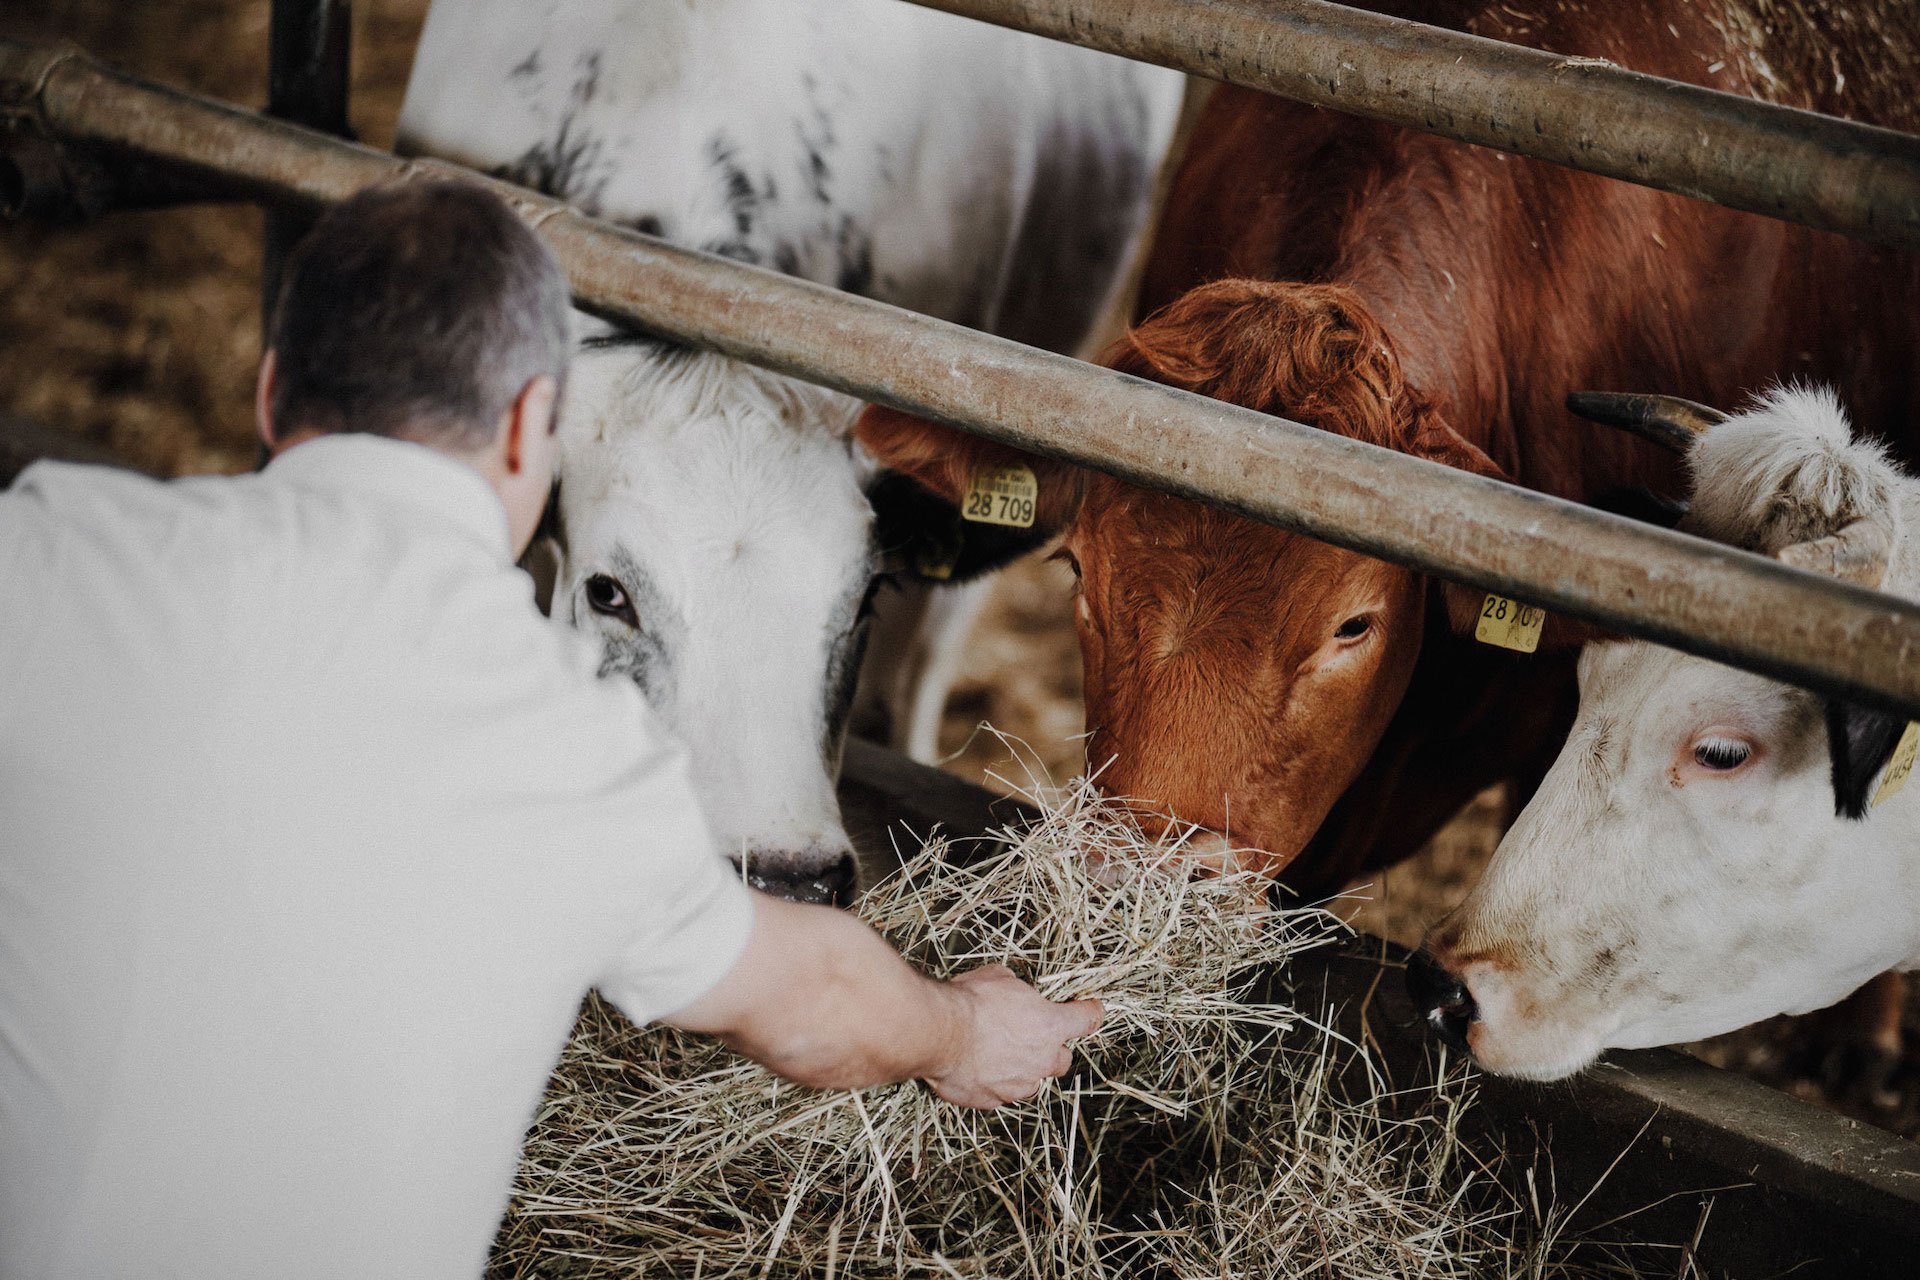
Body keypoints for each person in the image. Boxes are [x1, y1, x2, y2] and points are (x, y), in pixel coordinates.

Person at [0, 178, 1101, 1280]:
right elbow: (814, 1002)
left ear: (271, 389)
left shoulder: (50, 550)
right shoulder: (576, 746)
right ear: (535, 422)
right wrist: (965, 1030)